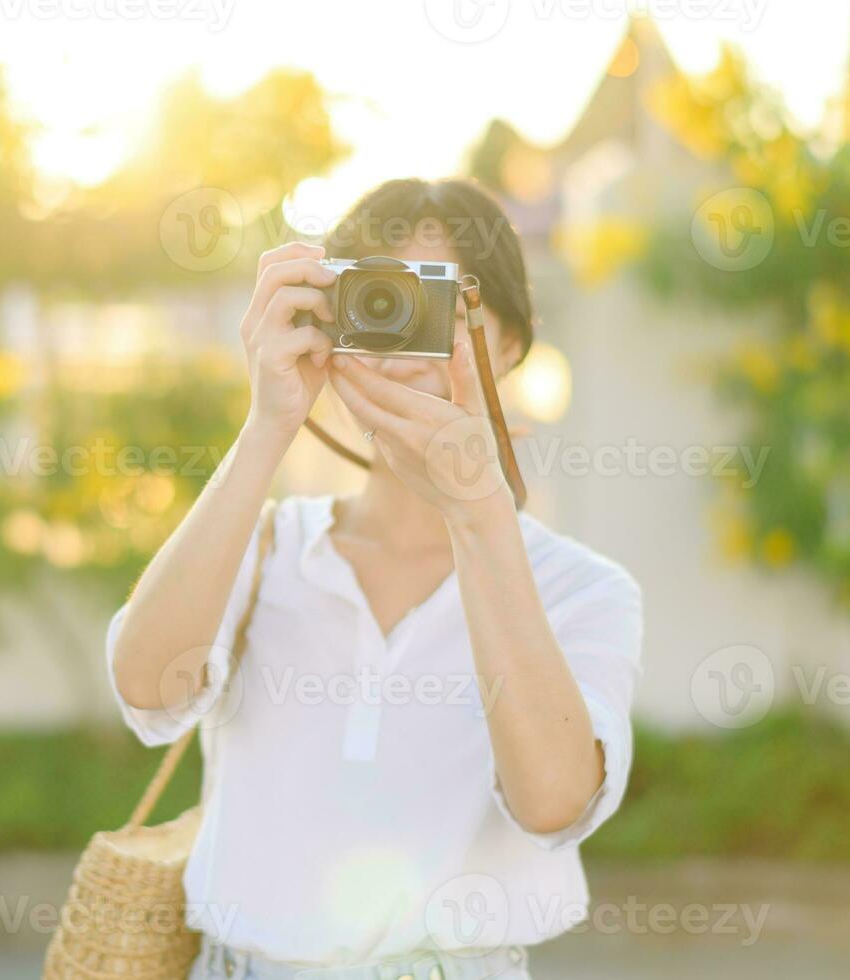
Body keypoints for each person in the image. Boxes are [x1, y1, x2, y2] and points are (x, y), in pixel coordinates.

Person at [108, 178, 643, 980]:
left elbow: (553, 803)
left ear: (507, 346)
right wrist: (268, 423)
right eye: (376, 300)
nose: (400, 340)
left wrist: (478, 510)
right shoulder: (258, 550)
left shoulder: (582, 590)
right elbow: (147, 688)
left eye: (437, 305)